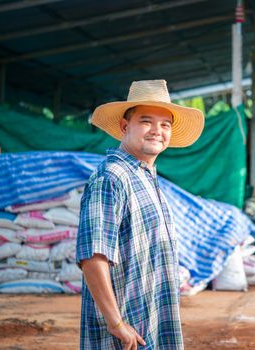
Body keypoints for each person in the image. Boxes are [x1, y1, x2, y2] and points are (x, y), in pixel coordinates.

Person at [76, 80, 204, 350]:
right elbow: (93, 257)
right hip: (125, 335)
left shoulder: (145, 177)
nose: (157, 131)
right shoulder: (111, 178)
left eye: (165, 125)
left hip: (151, 324)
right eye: (147, 121)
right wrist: (116, 324)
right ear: (125, 126)